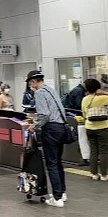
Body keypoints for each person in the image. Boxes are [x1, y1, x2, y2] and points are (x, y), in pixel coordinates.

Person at [26, 70, 68, 208]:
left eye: (30, 83)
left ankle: (57, 198)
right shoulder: (52, 90)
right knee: (58, 162)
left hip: (51, 130)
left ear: (33, 82)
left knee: (51, 164)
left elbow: (44, 115)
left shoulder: (39, 93)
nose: (30, 86)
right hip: (61, 128)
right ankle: (61, 192)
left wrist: (34, 126)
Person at [82, 79, 108, 181]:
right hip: (102, 128)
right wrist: (104, 92)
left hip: (89, 127)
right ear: (97, 88)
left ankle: (94, 174)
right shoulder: (101, 98)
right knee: (103, 152)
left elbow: (84, 113)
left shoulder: (85, 99)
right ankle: (104, 175)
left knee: (93, 151)